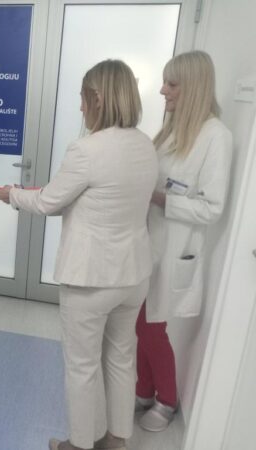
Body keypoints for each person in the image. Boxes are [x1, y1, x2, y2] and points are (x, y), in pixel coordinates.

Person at [0, 60, 158, 450]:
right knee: (121, 357)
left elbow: (48, 202)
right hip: (134, 275)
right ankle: (117, 440)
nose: (81, 107)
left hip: (91, 279)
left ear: (98, 98)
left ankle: (80, 445)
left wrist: (11, 195)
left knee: (82, 366)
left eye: (83, 98)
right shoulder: (145, 144)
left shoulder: (87, 149)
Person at [135, 50, 232, 432]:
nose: (163, 90)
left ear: (193, 87)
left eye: (171, 84)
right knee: (141, 323)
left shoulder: (216, 137)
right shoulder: (172, 130)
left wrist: (161, 198)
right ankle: (143, 391)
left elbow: (212, 208)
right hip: (147, 243)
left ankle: (167, 400)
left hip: (174, 249)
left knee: (151, 327)